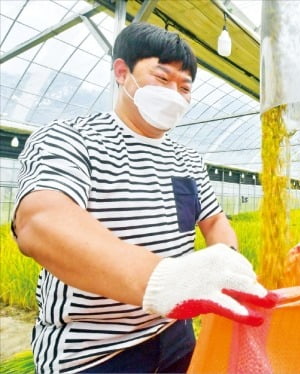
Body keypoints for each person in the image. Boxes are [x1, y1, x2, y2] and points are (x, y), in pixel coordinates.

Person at [11, 23, 276, 373]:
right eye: (162, 79)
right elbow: (40, 222)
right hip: (96, 351)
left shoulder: (188, 158)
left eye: (185, 87)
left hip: (176, 334)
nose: (175, 94)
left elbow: (213, 220)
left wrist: (224, 264)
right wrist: (160, 279)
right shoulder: (70, 138)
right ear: (123, 73)